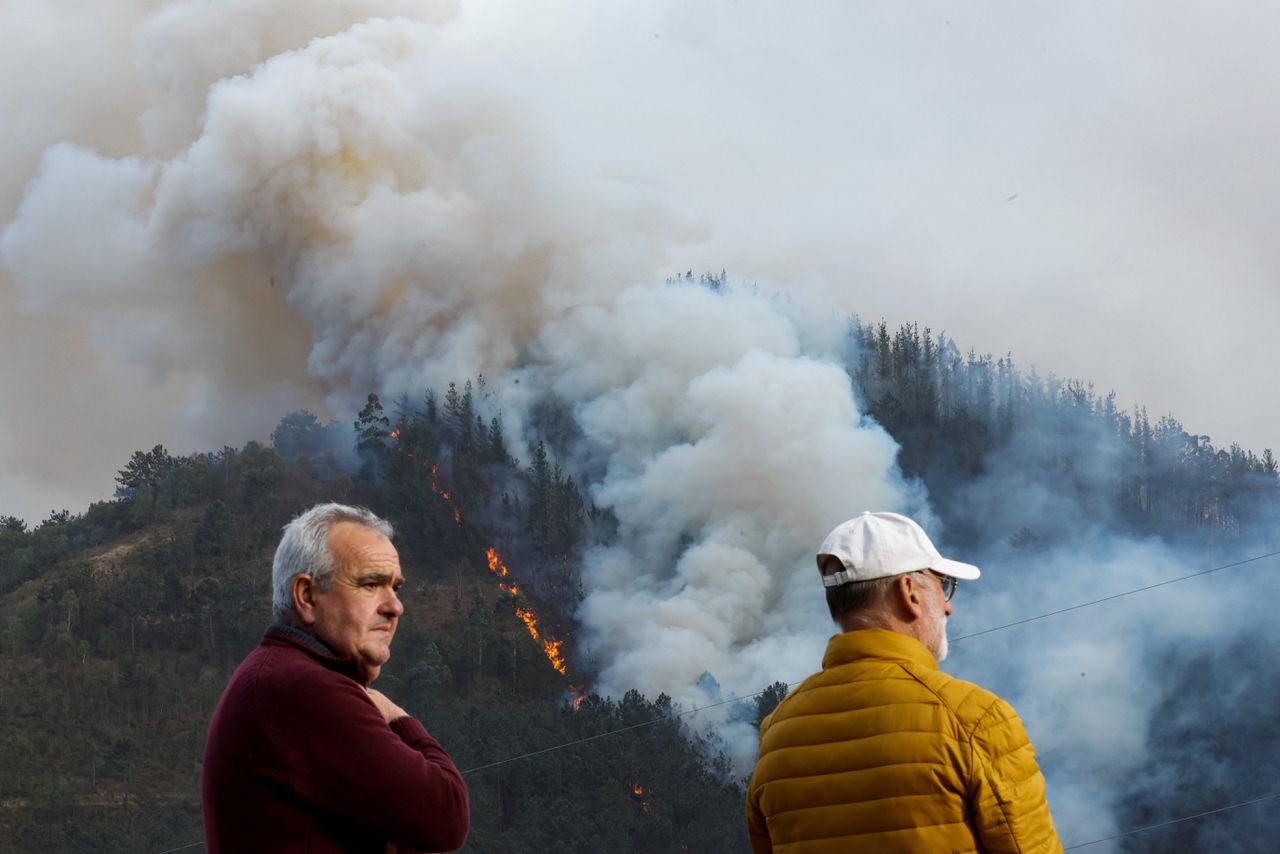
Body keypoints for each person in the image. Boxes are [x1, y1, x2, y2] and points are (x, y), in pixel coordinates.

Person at [746, 511, 1062, 853]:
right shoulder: (974, 719)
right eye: (944, 586)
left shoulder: (777, 733)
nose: (948, 608)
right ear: (909, 592)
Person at [202, 503, 470, 853]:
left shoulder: (277, 675)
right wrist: (397, 717)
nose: (395, 607)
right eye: (371, 584)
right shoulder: (301, 687)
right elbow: (445, 816)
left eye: (396, 588)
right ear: (307, 596)